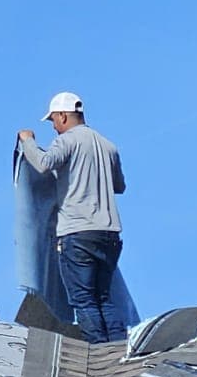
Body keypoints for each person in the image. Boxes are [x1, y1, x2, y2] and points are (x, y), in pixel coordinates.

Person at [15, 93, 127, 343]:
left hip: (77, 232)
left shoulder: (67, 141)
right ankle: (119, 352)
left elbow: (43, 164)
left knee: (84, 300)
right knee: (103, 297)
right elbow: (119, 186)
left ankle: (99, 354)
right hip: (108, 233)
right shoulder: (108, 146)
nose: (54, 127)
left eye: (54, 120)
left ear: (63, 116)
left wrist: (27, 141)